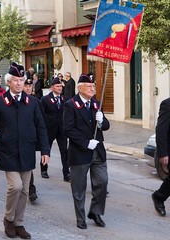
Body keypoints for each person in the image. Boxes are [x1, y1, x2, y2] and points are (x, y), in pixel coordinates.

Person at [0, 62, 50, 239]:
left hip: (27, 151)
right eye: (16, 80)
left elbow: (41, 127)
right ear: (9, 82)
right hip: (8, 152)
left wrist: (45, 150)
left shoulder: (32, 102)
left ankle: (19, 223)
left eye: (22, 80)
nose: (20, 83)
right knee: (16, 186)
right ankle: (8, 218)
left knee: (25, 190)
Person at [63, 73, 110, 229]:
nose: (92, 89)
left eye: (93, 86)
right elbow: (68, 129)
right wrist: (85, 142)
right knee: (79, 188)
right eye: (89, 86)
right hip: (80, 152)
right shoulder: (71, 104)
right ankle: (80, 217)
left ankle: (95, 211)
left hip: (97, 151)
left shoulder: (97, 103)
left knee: (102, 182)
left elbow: (106, 126)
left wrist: (102, 120)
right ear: (80, 87)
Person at [41, 77, 71, 182]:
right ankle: (44, 169)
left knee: (64, 151)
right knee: (46, 149)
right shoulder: (45, 99)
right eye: (57, 86)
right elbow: (42, 115)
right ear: (52, 87)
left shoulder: (65, 99)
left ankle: (66, 173)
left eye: (60, 86)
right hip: (49, 129)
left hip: (61, 130)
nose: (60, 88)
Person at [23, 78, 46, 202]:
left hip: (31, 139)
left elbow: (41, 122)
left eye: (30, 86)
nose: (28, 88)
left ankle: (31, 189)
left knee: (28, 165)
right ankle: (24, 187)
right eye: (25, 85)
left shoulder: (36, 101)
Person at [152, 97, 170, 217]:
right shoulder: (167, 104)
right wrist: (163, 153)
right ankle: (159, 197)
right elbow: (161, 130)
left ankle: (159, 196)